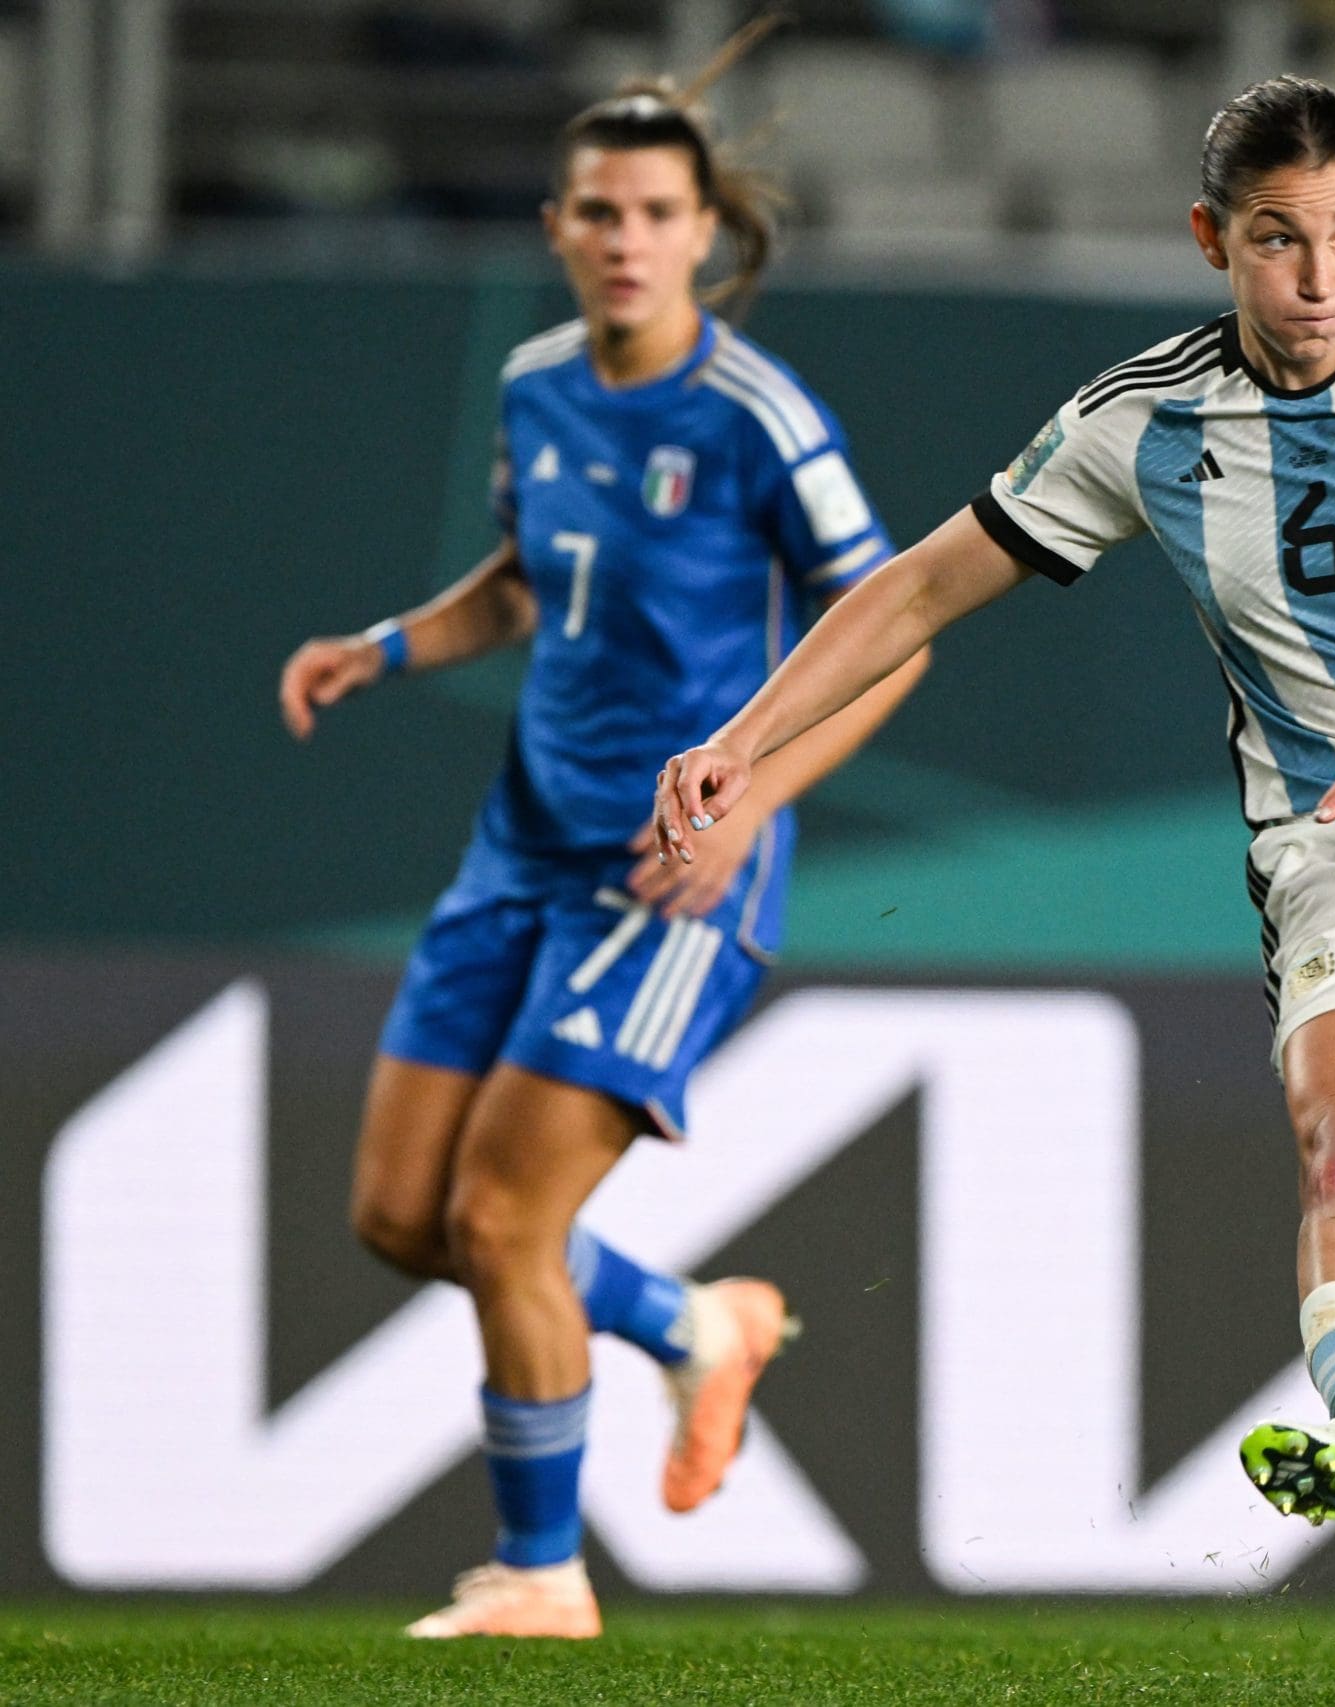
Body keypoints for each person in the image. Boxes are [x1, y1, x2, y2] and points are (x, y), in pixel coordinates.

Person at [654, 74, 1335, 1705]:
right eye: (1279, 241)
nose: (1320, 275)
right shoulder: (1143, 419)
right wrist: (742, 733)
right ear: (1216, 242)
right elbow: (922, 584)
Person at [276, 35, 927, 1641]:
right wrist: (394, 644)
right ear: (559, 229)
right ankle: (697, 1328)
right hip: (519, 850)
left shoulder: (760, 416)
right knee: (399, 1219)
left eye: (653, 209)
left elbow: (899, 633)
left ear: (703, 231)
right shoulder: (537, 383)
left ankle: (540, 1575)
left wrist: (753, 802)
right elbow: (522, 576)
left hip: (671, 872)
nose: (625, 237)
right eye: (596, 211)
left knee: (503, 1223)